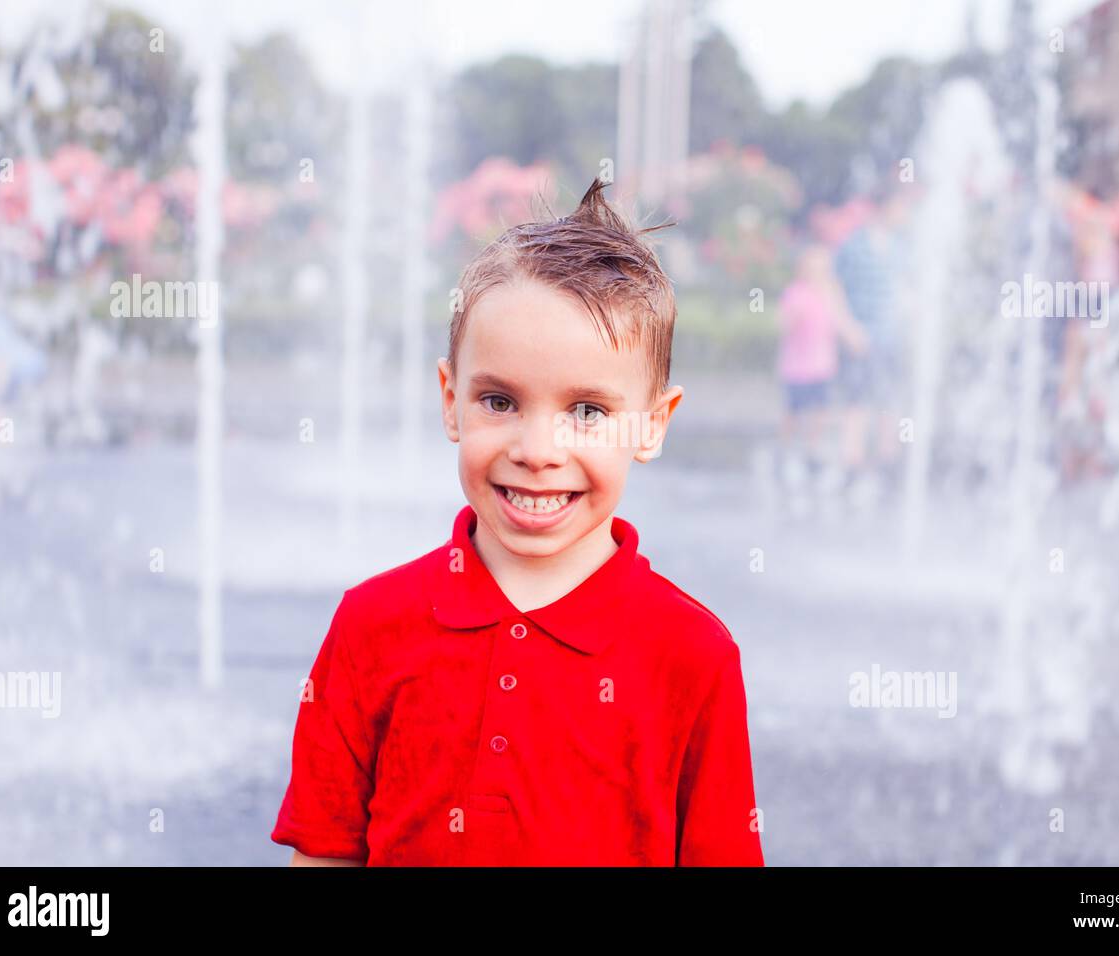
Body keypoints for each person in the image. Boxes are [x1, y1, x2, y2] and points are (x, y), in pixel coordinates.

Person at [271, 178, 764, 867]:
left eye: (587, 411)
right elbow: (325, 854)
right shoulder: (370, 625)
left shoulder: (693, 655)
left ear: (653, 425)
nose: (536, 452)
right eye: (499, 401)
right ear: (451, 401)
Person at [775, 244, 867, 492]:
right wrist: (793, 318)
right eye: (814, 269)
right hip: (796, 367)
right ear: (803, 270)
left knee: (820, 411)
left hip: (822, 366)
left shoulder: (831, 294)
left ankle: (811, 452)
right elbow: (784, 323)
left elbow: (841, 319)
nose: (819, 274)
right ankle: (784, 451)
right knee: (793, 411)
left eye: (823, 269)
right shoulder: (796, 293)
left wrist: (855, 338)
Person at [834, 190, 910, 492]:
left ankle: (887, 463)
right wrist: (848, 327)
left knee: (889, 397)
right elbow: (834, 285)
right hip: (862, 335)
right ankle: (852, 464)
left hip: (891, 336)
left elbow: (907, 288)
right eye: (902, 206)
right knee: (858, 398)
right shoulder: (854, 246)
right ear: (886, 208)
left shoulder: (901, 247)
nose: (906, 213)